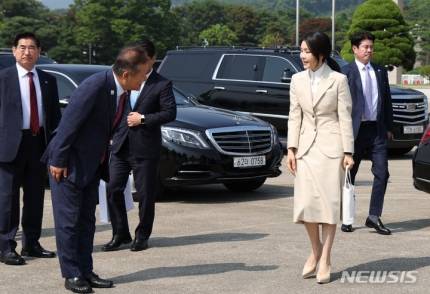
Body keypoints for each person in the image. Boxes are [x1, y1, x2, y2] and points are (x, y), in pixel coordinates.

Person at [42, 45, 151, 293]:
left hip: (92, 165)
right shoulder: (95, 86)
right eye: (143, 73)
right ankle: (72, 275)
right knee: (69, 222)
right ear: (126, 73)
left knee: (86, 221)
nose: (145, 78)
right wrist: (58, 160)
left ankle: (85, 270)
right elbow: (69, 124)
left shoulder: (121, 92)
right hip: (68, 165)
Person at [287, 31, 354, 284]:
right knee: (306, 206)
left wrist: (348, 152)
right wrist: (291, 148)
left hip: (331, 148)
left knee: (328, 206)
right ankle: (315, 251)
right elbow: (295, 115)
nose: (302, 56)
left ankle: (325, 257)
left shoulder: (338, 80)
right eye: (301, 51)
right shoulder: (296, 80)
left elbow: (345, 117)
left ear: (321, 54)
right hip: (304, 149)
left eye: (307, 51)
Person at [102, 39, 176, 252]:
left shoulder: (161, 84)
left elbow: (170, 113)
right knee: (113, 188)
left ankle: (142, 235)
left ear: (152, 59)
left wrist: (143, 119)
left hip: (145, 148)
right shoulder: (121, 77)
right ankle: (120, 233)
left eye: (142, 57)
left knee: (145, 195)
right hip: (120, 145)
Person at [0, 32, 61, 266]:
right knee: (7, 199)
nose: (27, 52)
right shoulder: (3, 78)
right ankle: (5, 246)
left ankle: (32, 243)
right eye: (22, 47)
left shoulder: (48, 79)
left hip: (39, 144)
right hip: (9, 146)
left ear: (39, 51)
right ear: (14, 50)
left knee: (35, 197)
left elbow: (54, 116)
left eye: (32, 47)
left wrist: (55, 146)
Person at [341, 31, 393, 235]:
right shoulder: (346, 73)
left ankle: (373, 216)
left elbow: (386, 100)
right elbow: (342, 107)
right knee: (349, 175)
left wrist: (389, 126)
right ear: (355, 49)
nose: (369, 50)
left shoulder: (380, 71)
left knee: (382, 173)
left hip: (377, 130)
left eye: (371, 47)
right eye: (365, 47)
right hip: (355, 131)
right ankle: (347, 218)